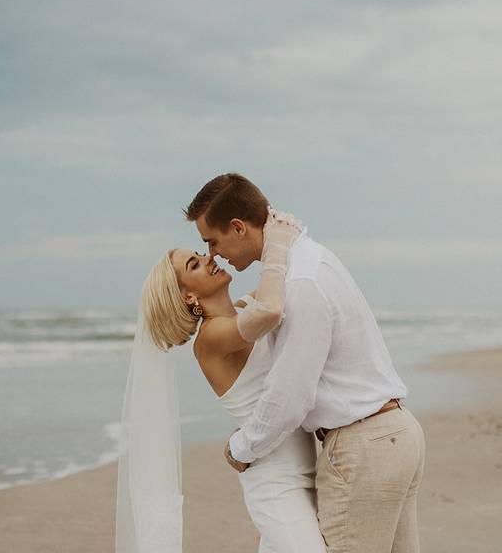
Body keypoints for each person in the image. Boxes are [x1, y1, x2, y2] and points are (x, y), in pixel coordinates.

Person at [185, 173, 426, 553]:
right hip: (395, 433)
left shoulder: (298, 283)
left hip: (364, 446)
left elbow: (290, 396)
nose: (213, 254)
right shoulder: (307, 261)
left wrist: (240, 449)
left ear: (238, 227)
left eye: (212, 242)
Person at [116, 207, 326, 552]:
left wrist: (274, 225)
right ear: (188, 297)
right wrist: (277, 243)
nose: (209, 258)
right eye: (194, 265)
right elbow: (272, 308)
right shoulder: (211, 339)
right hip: (275, 482)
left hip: (303, 469)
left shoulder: (243, 311)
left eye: (200, 253)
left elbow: (278, 282)